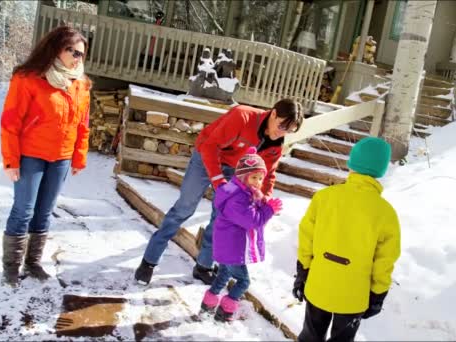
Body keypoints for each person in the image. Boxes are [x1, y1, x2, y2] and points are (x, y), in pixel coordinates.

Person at [134, 99, 303, 286]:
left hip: (234, 171)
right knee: (184, 208)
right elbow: (209, 146)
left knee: (221, 218)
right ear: (273, 113)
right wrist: (217, 181)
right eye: (282, 126)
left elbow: (268, 173)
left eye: (289, 130)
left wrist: (264, 198)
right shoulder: (242, 116)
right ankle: (149, 262)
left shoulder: (275, 145)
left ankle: (203, 266)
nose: (283, 132)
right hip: (205, 158)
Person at [0, 26, 91, 287]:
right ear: (55, 48)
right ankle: (11, 267)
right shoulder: (28, 78)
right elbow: (10, 121)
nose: (77, 57)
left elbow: (83, 124)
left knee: (45, 212)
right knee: (23, 210)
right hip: (31, 155)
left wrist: (79, 156)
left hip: (60, 158)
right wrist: (10, 159)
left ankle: (33, 262)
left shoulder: (82, 84)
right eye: (71, 50)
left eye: (81, 53)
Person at [292, 137, 401, 341]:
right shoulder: (386, 213)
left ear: (352, 163)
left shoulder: (324, 197)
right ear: (381, 170)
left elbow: (306, 237)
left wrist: (302, 270)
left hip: (319, 285)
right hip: (353, 295)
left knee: (310, 336)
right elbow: (385, 259)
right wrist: (378, 294)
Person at [200, 147, 283, 322]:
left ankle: (208, 304)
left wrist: (264, 203)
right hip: (232, 249)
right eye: (254, 177)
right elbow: (252, 221)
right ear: (242, 177)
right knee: (243, 282)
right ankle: (225, 311)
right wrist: (269, 210)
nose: (258, 182)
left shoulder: (243, 192)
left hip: (228, 246)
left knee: (223, 275)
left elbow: (252, 213)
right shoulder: (237, 198)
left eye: (261, 178)